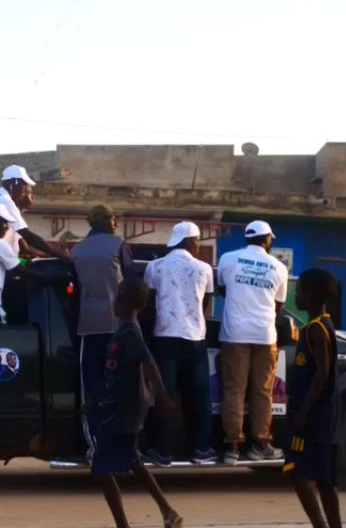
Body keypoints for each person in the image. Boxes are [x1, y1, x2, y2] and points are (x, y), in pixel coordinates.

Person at [92, 278, 183, 528]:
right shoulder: (127, 329)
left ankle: (124, 525)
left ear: (119, 300)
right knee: (133, 461)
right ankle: (168, 511)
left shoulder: (130, 331)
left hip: (123, 411)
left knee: (100, 469)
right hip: (125, 408)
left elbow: (149, 363)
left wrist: (163, 397)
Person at [143, 221, 217, 466]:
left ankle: (163, 451)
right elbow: (205, 304)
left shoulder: (155, 267)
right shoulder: (205, 269)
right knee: (199, 396)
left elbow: (149, 304)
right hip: (195, 338)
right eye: (197, 241)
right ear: (189, 241)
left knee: (165, 396)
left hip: (165, 338)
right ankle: (202, 450)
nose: (198, 246)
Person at [217, 220, 289, 465]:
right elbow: (278, 308)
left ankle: (232, 448)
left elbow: (223, 290)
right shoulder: (279, 267)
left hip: (234, 335)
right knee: (262, 392)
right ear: (267, 239)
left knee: (234, 390)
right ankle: (261, 443)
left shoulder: (227, 259)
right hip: (265, 336)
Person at [72, 204, 134, 461]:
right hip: (120, 328)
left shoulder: (76, 251)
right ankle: (126, 448)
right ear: (102, 220)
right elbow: (132, 284)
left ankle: (96, 447)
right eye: (113, 217)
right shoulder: (119, 245)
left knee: (92, 390)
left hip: (89, 329)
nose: (116, 222)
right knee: (124, 390)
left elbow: (74, 291)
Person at [286, 268, 342, 528]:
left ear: (309, 297)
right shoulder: (319, 325)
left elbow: (322, 372)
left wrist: (303, 412)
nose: (295, 297)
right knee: (325, 479)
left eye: (298, 292)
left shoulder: (316, 329)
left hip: (314, 417)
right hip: (323, 416)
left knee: (300, 474)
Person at [0, 165, 69, 260]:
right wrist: (62, 255)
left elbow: (24, 245)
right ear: (14, 183)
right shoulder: (6, 202)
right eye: (24, 190)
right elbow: (28, 236)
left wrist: (49, 255)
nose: (26, 194)